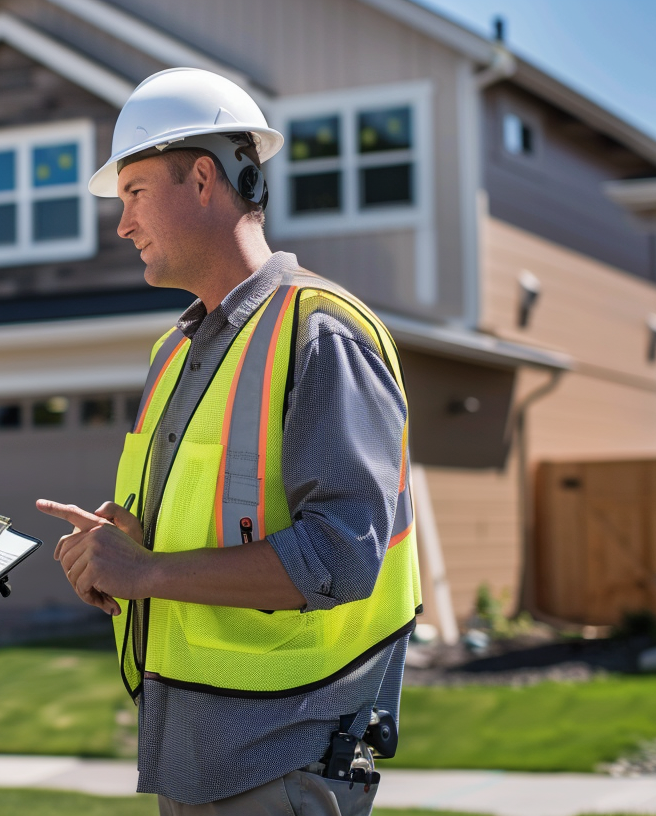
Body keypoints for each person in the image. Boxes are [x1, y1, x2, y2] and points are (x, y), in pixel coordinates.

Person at [37, 68, 420, 816]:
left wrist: (148, 572)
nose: (122, 225)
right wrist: (117, 556)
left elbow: (341, 557)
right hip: (197, 762)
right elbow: (204, 527)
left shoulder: (320, 332)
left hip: (286, 758)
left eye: (135, 193)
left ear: (205, 180)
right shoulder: (175, 352)